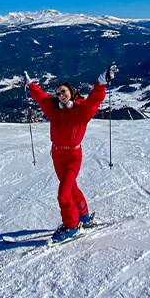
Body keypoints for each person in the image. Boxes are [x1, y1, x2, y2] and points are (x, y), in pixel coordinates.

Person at [25, 65, 116, 242]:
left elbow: (93, 101)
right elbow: (41, 97)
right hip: (57, 156)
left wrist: (101, 82)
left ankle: (72, 226)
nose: (61, 95)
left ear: (71, 92)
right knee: (71, 188)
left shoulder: (80, 111)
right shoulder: (54, 111)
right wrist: (30, 85)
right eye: (58, 93)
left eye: (64, 91)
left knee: (63, 194)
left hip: (73, 156)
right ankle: (84, 216)